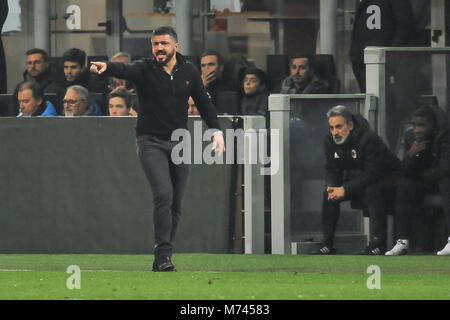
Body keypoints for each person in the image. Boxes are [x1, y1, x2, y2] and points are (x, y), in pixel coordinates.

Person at [90, 26, 225, 272]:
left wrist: (216, 131)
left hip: (180, 143)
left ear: (176, 46)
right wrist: (106, 67)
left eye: (164, 43)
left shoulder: (189, 71)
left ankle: (163, 255)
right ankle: (163, 255)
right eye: (155, 44)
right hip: (150, 140)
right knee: (163, 193)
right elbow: (125, 69)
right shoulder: (144, 68)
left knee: (176, 202)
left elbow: (204, 103)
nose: (159, 48)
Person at [318, 105, 400, 255]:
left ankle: (377, 244)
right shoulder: (330, 141)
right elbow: (332, 169)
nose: (335, 132)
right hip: (360, 181)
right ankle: (327, 244)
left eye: (339, 127)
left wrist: (345, 189)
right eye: (332, 128)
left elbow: (373, 173)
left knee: (372, 190)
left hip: (390, 182)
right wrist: (333, 186)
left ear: (350, 125)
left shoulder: (368, 139)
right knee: (328, 193)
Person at [385, 105, 450, 256]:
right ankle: (403, 241)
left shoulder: (445, 135)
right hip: (426, 180)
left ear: (433, 125)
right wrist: (411, 154)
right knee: (405, 186)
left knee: (446, 182)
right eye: (414, 125)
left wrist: (421, 175)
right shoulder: (410, 137)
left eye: (422, 125)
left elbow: (445, 168)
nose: (417, 129)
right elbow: (403, 170)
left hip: (442, 179)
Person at [350, 0, 414, 92]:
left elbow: (405, 27)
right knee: (370, 98)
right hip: (364, 60)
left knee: (385, 99)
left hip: (385, 61)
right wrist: (355, 57)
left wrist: (392, 55)